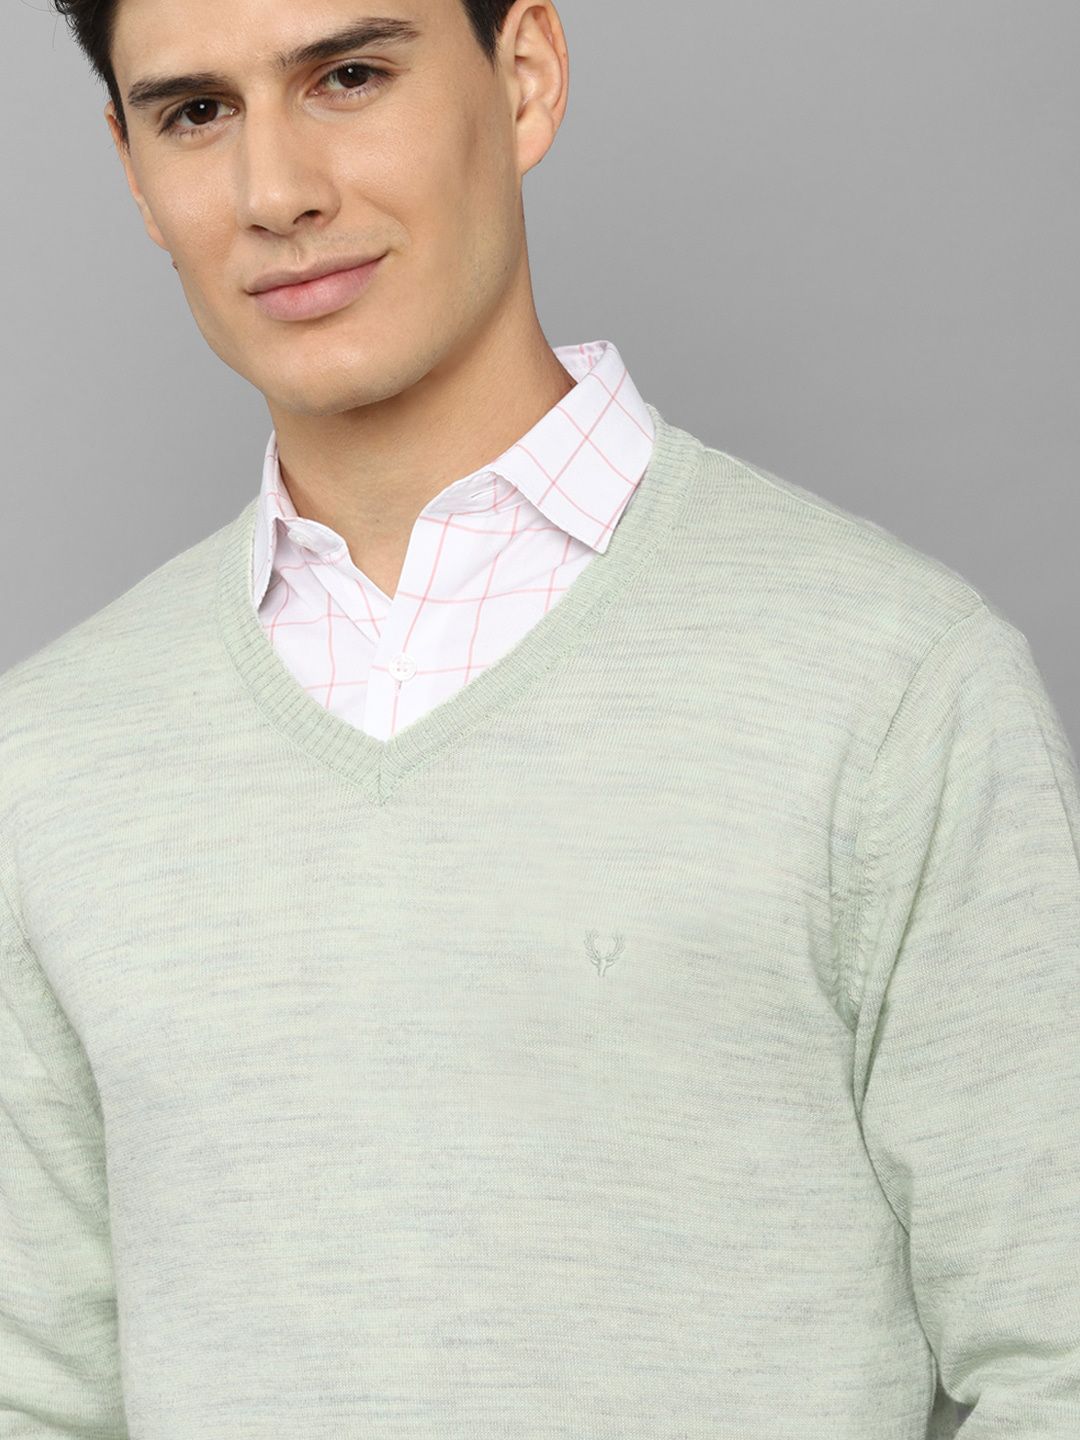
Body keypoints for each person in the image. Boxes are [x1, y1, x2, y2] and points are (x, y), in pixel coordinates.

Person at [3, 1, 1078, 1435]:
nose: (276, 192)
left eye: (350, 76)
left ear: (524, 78)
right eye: (196, 112)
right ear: (133, 171)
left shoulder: (891, 685)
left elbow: (1057, 1356)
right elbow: (36, 1393)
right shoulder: (49, 760)